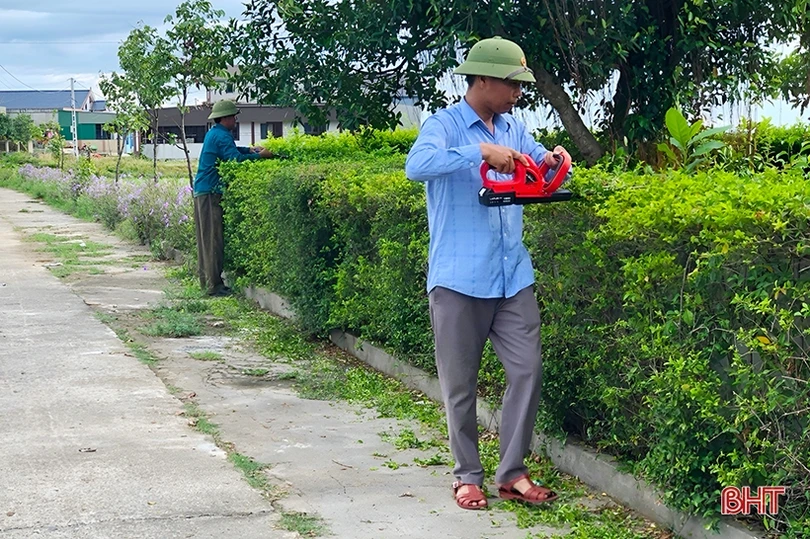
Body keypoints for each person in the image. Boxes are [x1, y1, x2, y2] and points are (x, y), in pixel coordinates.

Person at [404, 36, 571, 510]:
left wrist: (557, 160)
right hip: (459, 279)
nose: (518, 94)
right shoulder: (445, 125)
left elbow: (539, 164)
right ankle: (467, 476)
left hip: (512, 276)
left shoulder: (515, 128)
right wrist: (479, 151)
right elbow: (417, 166)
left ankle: (511, 473)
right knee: (461, 384)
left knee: (527, 370)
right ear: (482, 79)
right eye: (511, 84)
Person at [193, 99, 273, 296]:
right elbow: (235, 160)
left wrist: (250, 150)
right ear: (226, 118)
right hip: (211, 192)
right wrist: (261, 157)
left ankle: (208, 283)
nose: (235, 120)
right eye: (234, 116)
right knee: (214, 240)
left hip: (204, 191)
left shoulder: (216, 134)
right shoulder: (222, 136)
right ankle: (214, 287)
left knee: (206, 240)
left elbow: (232, 152)